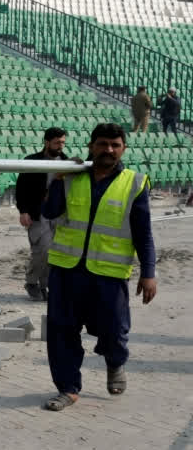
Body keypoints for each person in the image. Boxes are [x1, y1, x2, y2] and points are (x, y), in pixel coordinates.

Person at [39, 123, 157, 411]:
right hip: (67, 270)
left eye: (115, 145)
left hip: (109, 274)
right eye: (103, 144)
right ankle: (68, 388)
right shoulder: (70, 178)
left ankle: (115, 362)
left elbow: (143, 233)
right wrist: (58, 178)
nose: (109, 150)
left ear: (123, 149)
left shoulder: (134, 183)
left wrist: (149, 272)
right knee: (61, 331)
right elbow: (49, 211)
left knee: (114, 330)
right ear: (91, 146)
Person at [15, 127, 68, 302]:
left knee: (54, 252)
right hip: (38, 213)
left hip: (58, 214)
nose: (60, 146)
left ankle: (45, 286)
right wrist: (23, 211)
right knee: (42, 250)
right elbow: (21, 189)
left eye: (62, 142)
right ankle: (31, 282)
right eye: (57, 142)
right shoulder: (32, 161)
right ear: (46, 142)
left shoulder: (67, 162)